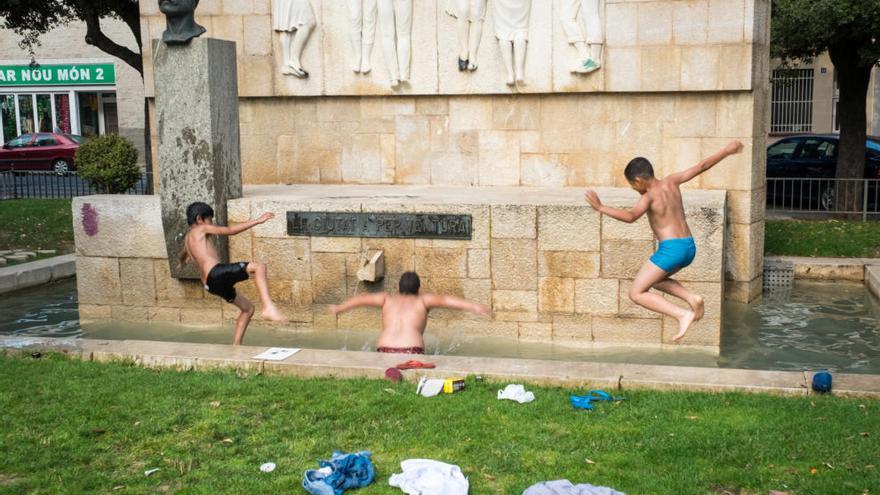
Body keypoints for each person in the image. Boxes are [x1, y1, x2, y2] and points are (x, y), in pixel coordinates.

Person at [584, 140, 744, 342]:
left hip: (671, 250)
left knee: (636, 293)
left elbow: (631, 216)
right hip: (689, 247)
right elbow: (702, 166)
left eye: (632, 185)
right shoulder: (672, 181)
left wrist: (601, 208)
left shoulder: (648, 197)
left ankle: (682, 314)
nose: (634, 189)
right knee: (656, 281)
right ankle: (691, 298)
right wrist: (727, 151)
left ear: (639, 180)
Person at [179, 202, 288, 345]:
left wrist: (181, 263)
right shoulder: (201, 229)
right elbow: (230, 230)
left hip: (210, 285)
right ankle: (268, 307)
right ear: (199, 219)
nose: (212, 224)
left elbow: (182, 255)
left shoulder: (187, 239)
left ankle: (236, 347)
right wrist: (258, 221)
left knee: (248, 309)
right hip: (215, 273)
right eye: (210, 220)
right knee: (259, 267)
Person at [330, 272, 489, 354]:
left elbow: (361, 299)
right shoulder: (422, 300)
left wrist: (339, 308)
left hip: (384, 350)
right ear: (418, 289)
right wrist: (475, 307)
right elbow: (447, 300)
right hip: (411, 351)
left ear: (398, 288)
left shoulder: (387, 299)